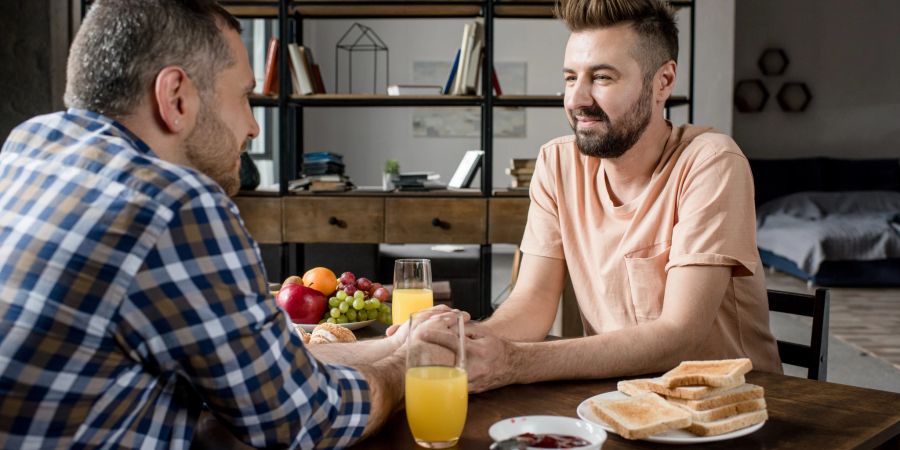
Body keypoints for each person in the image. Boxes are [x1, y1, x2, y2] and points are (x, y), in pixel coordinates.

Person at [0, 1, 407, 448]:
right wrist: (407, 364)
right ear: (176, 96)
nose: (253, 126)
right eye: (243, 95)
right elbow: (306, 418)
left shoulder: (29, 145)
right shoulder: (173, 203)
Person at [462, 0, 782, 392]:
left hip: (730, 410)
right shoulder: (557, 164)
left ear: (663, 82)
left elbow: (679, 334)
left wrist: (515, 362)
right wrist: (471, 343)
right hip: (619, 398)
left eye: (602, 77)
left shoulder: (712, 162)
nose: (577, 99)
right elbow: (531, 303)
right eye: (569, 78)